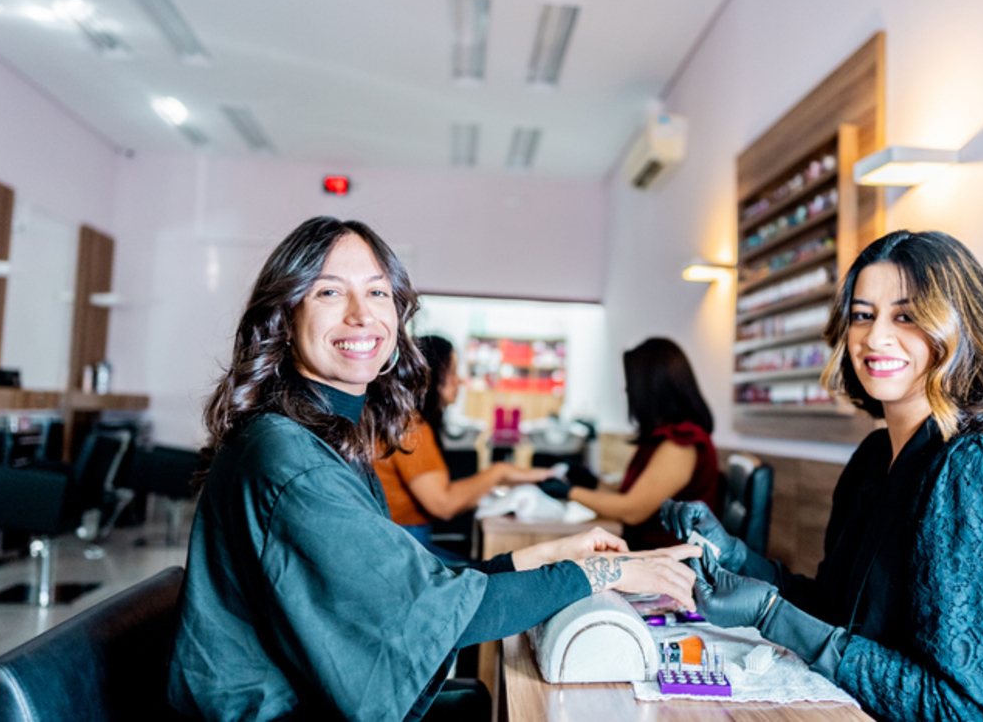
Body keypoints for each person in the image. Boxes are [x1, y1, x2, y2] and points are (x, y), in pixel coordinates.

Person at [166, 217, 698, 722]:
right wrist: (605, 573)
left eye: (378, 292)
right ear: (284, 317)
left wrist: (549, 554)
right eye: (330, 292)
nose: (361, 314)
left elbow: (415, 594)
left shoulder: (317, 437)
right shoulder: (290, 457)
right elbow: (426, 611)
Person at [664, 230, 983, 721]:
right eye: (863, 316)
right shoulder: (876, 456)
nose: (875, 337)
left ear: (961, 327)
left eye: (906, 316)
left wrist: (772, 616)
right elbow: (837, 609)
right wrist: (735, 555)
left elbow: (963, 712)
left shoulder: (981, 471)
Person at [372, 335, 550, 559]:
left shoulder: (403, 421)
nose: (460, 381)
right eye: (453, 371)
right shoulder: (408, 426)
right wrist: (499, 472)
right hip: (401, 544)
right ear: (431, 376)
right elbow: (442, 503)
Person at [539, 337, 721, 551]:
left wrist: (569, 492)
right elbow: (632, 495)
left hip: (667, 560)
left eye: (632, 385)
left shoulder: (681, 442)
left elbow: (633, 510)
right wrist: (592, 483)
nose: (627, 391)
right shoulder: (663, 438)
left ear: (650, 388)